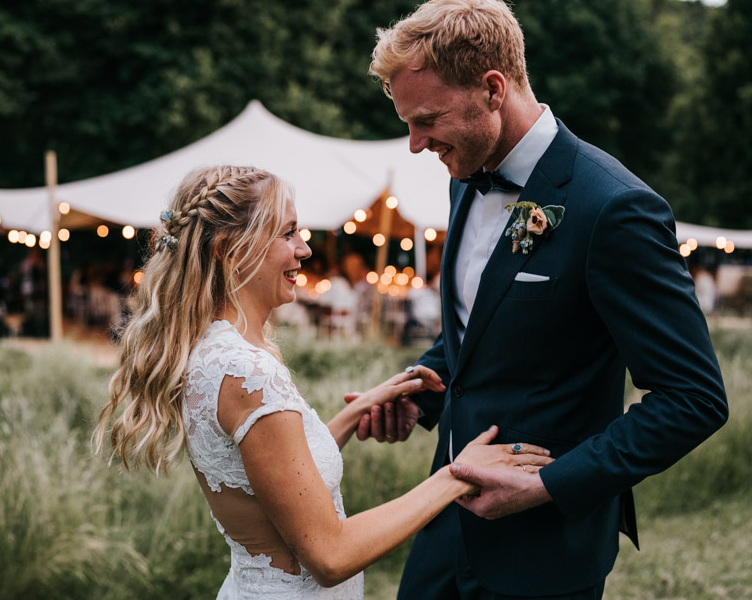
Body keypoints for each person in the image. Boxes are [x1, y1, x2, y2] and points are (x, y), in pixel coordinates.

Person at [362, 0, 729, 598]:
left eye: (426, 121)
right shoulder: (464, 177)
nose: (415, 144)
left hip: (544, 552)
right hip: (441, 527)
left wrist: (549, 484)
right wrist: (419, 391)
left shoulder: (614, 208)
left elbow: (694, 398)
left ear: (493, 89)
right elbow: (485, 333)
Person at [92, 165, 551, 598]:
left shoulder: (216, 351)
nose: (304, 249)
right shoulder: (247, 372)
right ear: (231, 250)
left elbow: (277, 479)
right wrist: (456, 475)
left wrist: (354, 412)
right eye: (287, 233)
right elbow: (330, 555)